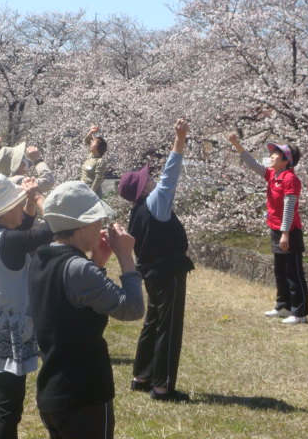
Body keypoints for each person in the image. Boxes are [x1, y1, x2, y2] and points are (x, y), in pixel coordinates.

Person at [28, 181, 144, 439]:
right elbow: (133, 308)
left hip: (53, 392)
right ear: (81, 225)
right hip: (84, 396)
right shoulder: (79, 269)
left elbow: (71, 305)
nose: (101, 225)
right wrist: (126, 258)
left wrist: (97, 262)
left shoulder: (41, 259)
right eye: (97, 220)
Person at [118, 118, 194, 402]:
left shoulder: (136, 212)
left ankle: (142, 376)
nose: (150, 177)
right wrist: (180, 138)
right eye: (145, 178)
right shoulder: (155, 203)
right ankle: (162, 386)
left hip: (151, 272)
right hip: (168, 270)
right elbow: (171, 175)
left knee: (154, 321)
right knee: (168, 326)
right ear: (142, 188)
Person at [0, 174, 52, 439]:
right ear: (4, 211)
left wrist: (29, 206)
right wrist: (39, 198)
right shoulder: (8, 241)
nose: (21, 207)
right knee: (9, 409)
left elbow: (22, 232)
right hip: (9, 331)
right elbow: (50, 229)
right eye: (17, 204)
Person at [228, 133, 308, 325]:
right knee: (280, 271)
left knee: (293, 273)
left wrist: (285, 234)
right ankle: (283, 307)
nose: (271, 155)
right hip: (276, 229)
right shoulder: (273, 174)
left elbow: (290, 208)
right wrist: (236, 144)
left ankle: (300, 313)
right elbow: (252, 164)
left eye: (276, 153)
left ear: (286, 160)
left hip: (289, 232)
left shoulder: (290, 179)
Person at [80, 125, 108, 198]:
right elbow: (86, 140)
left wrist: (91, 192)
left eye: (94, 143)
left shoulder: (100, 161)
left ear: (98, 147)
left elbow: (98, 179)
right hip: (83, 189)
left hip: (92, 193)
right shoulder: (90, 155)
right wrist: (91, 132)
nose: (91, 143)